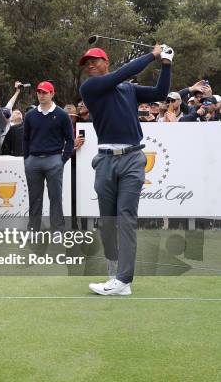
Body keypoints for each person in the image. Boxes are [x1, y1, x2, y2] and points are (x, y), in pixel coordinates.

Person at [79, 44, 173, 295]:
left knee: (126, 218)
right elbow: (122, 74)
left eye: (94, 61)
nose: (89, 65)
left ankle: (123, 280)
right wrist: (151, 55)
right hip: (106, 161)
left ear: (106, 61)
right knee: (108, 221)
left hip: (132, 158)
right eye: (86, 63)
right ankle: (114, 274)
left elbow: (161, 92)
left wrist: (166, 64)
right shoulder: (90, 87)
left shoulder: (129, 89)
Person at [23, 81, 74, 232]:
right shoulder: (30, 115)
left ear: (52, 94)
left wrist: (62, 160)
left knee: (55, 198)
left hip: (54, 160)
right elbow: (25, 139)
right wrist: (26, 159)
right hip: (34, 161)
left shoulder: (62, 115)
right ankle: (33, 230)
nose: (41, 95)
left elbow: (70, 139)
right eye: (39, 92)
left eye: (45, 92)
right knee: (34, 198)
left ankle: (57, 230)